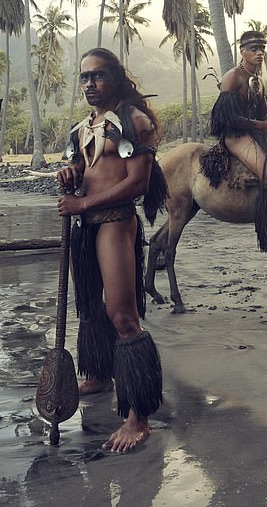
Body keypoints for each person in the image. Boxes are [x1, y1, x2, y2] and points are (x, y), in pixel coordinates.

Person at [56, 47, 167, 453]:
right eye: (84, 77)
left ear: (116, 77)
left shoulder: (133, 122)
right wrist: (70, 173)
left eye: (98, 75)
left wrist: (83, 203)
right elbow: (84, 169)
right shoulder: (83, 128)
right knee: (90, 307)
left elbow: (137, 183)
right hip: (84, 226)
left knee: (122, 317)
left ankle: (138, 416)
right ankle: (100, 375)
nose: (90, 83)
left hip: (115, 224)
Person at [209, 30, 267, 255]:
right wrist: (261, 125)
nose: (259, 53)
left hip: (255, 133)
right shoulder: (233, 77)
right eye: (254, 49)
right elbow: (224, 119)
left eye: (262, 49)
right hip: (236, 136)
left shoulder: (258, 80)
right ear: (242, 52)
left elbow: (265, 112)